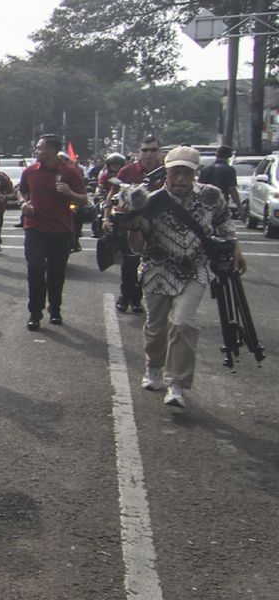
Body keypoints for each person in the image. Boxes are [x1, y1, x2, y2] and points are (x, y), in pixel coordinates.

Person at [125, 146, 245, 408]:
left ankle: (177, 383)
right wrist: (133, 221)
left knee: (183, 324)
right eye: (174, 172)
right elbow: (137, 246)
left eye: (186, 173)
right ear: (166, 173)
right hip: (157, 269)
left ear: (195, 173)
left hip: (195, 268)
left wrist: (235, 247)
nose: (180, 179)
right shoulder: (151, 201)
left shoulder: (211, 196)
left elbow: (225, 225)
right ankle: (154, 367)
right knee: (156, 328)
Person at [18, 134, 90, 329]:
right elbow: (21, 190)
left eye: (40, 148)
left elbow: (84, 199)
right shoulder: (30, 171)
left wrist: (70, 194)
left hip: (61, 230)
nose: (36, 151)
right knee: (35, 268)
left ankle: (55, 308)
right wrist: (24, 203)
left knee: (56, 273)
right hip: (34, 228)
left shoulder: (70, 172)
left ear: (51, 150)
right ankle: (35, 312)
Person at [109, 137, 164, 314]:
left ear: (159, 152)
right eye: (145, 150)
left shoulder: (166, 172)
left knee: (150, 264)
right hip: (130, 225)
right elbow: (112, 194)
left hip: (157, 228)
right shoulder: (128, 170)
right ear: (139, 152)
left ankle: (137, 298)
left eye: (153, 150)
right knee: (130, 263)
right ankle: (126, 297)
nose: (149, 154)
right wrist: (106, 217)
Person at [198, 145, 240, 212]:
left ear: (216, 154)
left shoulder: (205, 169)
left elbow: (198, 187)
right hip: (221, 202)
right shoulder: (229, 170)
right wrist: (239, 206)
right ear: (229, 156)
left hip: (205, 203)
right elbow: (232, 190)